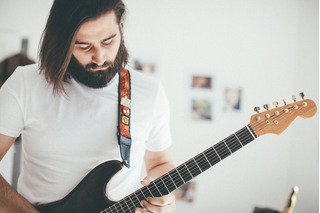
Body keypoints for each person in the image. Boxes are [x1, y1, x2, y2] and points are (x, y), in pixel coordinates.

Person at [0, 0, 176, 212]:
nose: (100, 57)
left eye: (108, 41)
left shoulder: (150, 92)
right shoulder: (25, 85)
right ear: (63, 40)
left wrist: (163, 198)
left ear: (120, 24)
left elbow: (159, 163)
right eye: (84, 46)